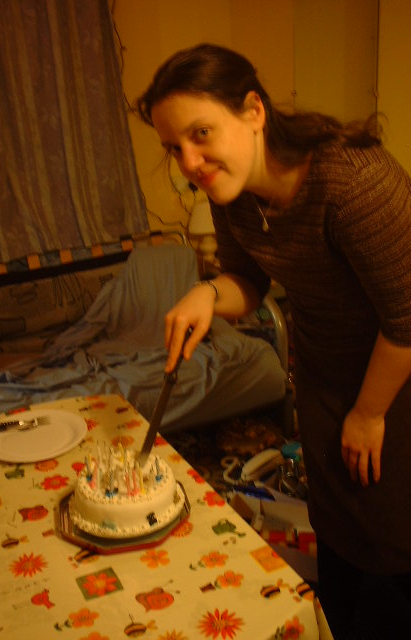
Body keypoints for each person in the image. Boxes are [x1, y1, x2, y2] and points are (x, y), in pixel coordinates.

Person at [136, 43, 411, 637]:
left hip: (394, 379)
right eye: (174, 147)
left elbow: (408, 318)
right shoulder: (230, 191)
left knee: (393, 542)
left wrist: (369, 413)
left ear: (254, 111)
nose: (190, 162)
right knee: (337, 529)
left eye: (201, 133)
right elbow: (248, 281)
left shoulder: (353, 182)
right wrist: (208, 293)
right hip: (323, 374)